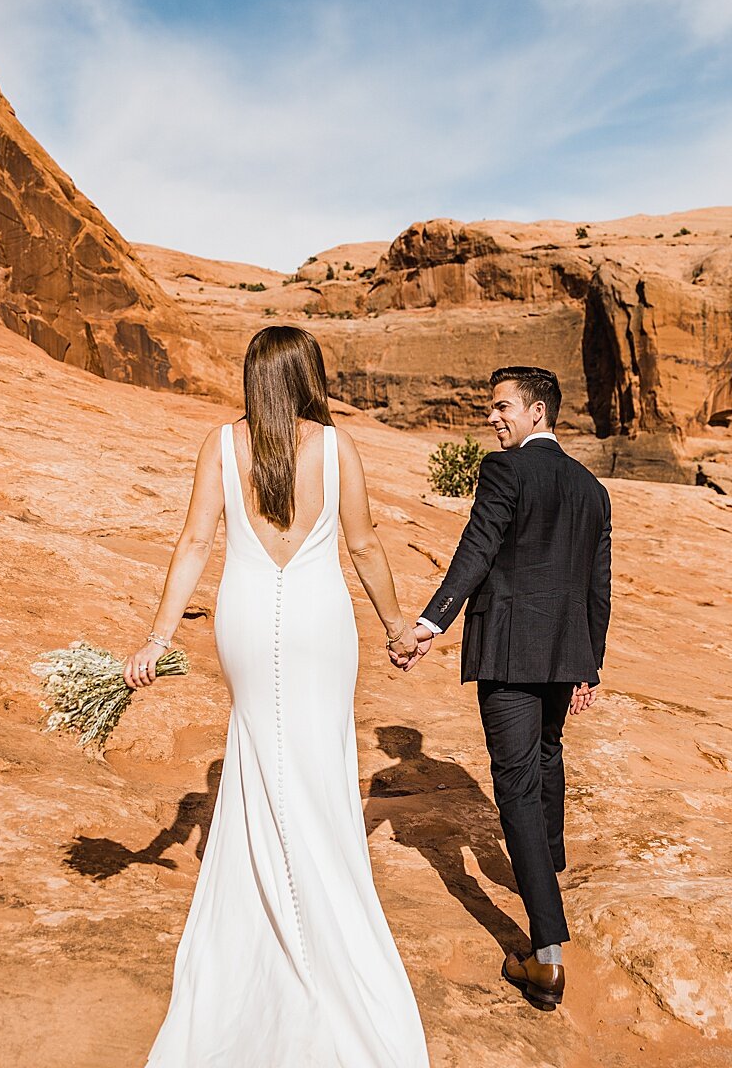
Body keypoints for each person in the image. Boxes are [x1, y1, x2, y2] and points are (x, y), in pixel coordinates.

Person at [124, 326, 429, 1067]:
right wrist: (396, 627)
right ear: (307, 375)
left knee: (261, 753)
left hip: (248, 618)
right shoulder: (335, 445)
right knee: (318, 765)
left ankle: (266, 921)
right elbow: (362, 545)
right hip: (321, 622)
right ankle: (324, 921)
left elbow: (195, 541)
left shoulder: (219, 444)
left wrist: (159, 639)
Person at [395, 365, 611, 1012]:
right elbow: (597, 585)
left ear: (537, 413)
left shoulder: (506, 472)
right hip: (562, 653)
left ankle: (544, 958)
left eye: (502, 408)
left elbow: (477, 548)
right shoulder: (590, 487)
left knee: (515, 785)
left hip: (512, 652)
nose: (493, 418)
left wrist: (432, 622)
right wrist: (588, 664)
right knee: (547, 756)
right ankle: (550, 867)